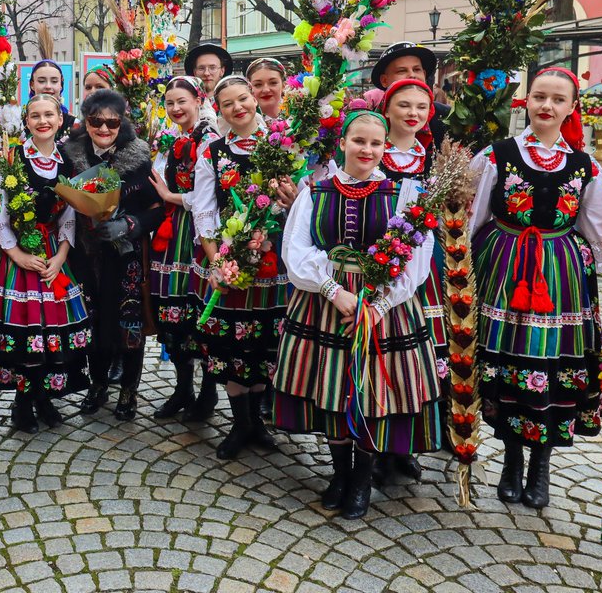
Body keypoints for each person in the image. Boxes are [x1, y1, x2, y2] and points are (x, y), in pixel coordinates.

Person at [468, 68, 602, 509]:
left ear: (571, 108)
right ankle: (510, 457)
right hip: (504, 269)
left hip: (562, 276)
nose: (547, 106)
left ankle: (541, 464)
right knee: (507, 359)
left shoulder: (586, 166)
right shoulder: (495, 155)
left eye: (558, 100)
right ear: (525, 101)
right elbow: (470, 218)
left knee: (553, 359)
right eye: (539, 96)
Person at [275, 110, 443, 519]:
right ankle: (339, 473)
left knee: (371, 394)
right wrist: (333, 290)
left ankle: (362, 478)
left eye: (375, 143)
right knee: (330, 392)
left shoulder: (406, 195)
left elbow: (417, 264)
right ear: (343, 143)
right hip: (326, 306)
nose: (366, 150)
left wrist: (378, 306)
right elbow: (294, 251)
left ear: (385, 147)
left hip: (384, 310)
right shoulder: (315, 191)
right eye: (358, 141)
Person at [0, 94, 91, 432]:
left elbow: (70, 213)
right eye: (35, 115)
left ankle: (44, 396)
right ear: (25, 122)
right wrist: (15, 252)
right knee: (23, 329)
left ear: (61, 119)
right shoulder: (10, 157)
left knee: (50, 327)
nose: (42, 121)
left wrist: (61, 255)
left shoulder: (67, 161)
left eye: (49, 114)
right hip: (14, 255)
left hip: (51, 251)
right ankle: (22, 401)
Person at [190, 76, 289, 459]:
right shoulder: (212, 152)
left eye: (243, 99)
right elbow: (204, 207)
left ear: (254, 98)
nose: (239, 108)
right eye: (228, 104)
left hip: (270, 258)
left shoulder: (281, 146)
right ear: (220, 110)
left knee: (264, 339)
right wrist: (217, 259)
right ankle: (240, 422)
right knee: (230, 341)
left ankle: (257, 422)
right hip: (225, 256)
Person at [65, 89, 163, 420]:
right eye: (96, 121)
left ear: (121, 122)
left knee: (128, 322)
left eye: (112, 122)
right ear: (86, 121)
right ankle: (98, 384)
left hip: (127, 256)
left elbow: (156, 207)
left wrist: (129, 224)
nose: (104, 129)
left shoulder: (138, 157)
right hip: (86, 255)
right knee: (93, 321)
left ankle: (128, 391)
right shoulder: (72, 156)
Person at [373, 78, 448, 484]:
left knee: (418, 357)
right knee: (382, 353)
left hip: (425, 266)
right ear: (387, 109)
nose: (413, 113)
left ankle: (406, 445)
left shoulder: (433, 159)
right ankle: (379, 445)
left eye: (422, 106)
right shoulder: (372, 150)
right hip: (378, 260)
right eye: (404, 105)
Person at [148, 77, 218, 420]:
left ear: (198, 100)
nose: (176, 109)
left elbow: (208, 194)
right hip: (171, 230)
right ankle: (182, 388)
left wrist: (169, 197)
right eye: (171, 103)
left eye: (182, 102)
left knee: (198, 311)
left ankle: (207, 394)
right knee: (171, 312)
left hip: (196, 231)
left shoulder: (210, 138)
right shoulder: (171, 138)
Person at [370, 42, 451, 148]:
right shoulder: (370, 121)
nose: (412, 75)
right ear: (384, 80)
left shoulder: (446, 116)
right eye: (401, 71)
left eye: (417, 70)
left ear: (424, 74)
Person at [29, 60, 76, 139]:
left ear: (61, 85)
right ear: (32, 85)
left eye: (54, 81)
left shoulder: (74, 124)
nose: (48, 86)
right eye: (41, 81)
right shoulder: (18, 125)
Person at [185, 44, 232, 122]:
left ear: (222, 71)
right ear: (194, 72)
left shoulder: (233, 100)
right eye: (201, 68)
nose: (206, 73)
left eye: (212, 68)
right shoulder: (185, 103)